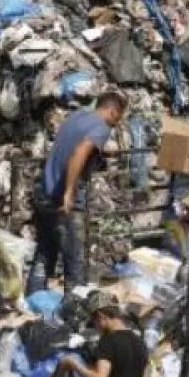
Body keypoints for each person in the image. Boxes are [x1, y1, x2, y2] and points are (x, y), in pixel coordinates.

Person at [27, 91, 128, 294]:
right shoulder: (101, 127)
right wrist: (69, 191)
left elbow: (70, 145)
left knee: (46, 249)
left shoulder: (77, 117)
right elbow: (78, 153)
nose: (117, 123)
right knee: (75, 258)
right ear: (112, 111)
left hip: (44, 192)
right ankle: (74, 309)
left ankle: (34, 296)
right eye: (118, 116)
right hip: (63, 200)